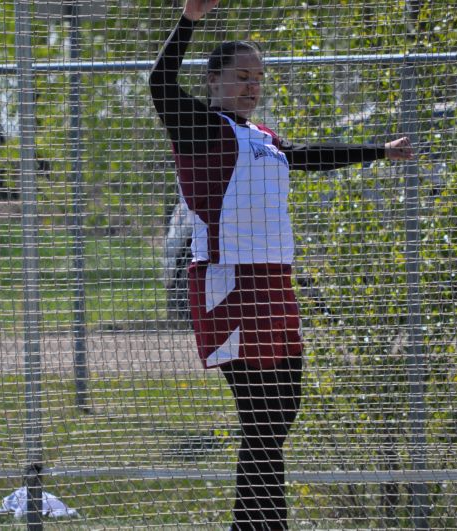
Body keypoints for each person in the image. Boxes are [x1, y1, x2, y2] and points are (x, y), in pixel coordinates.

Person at [149, 1, 414, 529]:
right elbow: (159, 84)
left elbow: (308, 156)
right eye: (241, 76)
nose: (252, 86)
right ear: (214, 80)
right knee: (263, 420)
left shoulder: (264, 138)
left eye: (259, 78)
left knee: (278, 413)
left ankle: (253, 524)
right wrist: (190, 21)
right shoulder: (200, 125)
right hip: (230, 284)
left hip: (274, 284)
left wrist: (379, 152)